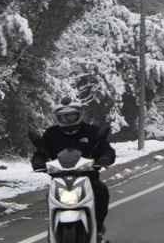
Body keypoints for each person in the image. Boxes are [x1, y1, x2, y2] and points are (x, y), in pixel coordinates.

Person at [32, 100, 117, 242]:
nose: (67, 119)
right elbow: (41, 150)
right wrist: (38, 161)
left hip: (88, 178)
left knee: (101, 191)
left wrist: (105, 158)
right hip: (60, 178)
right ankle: (53, 229)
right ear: (57, 117)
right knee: (49, 197)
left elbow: (105, 148)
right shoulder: (51, 133)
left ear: (79, 115)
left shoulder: (91, 131)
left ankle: (99, 227)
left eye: (71, 115)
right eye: (63, 116)